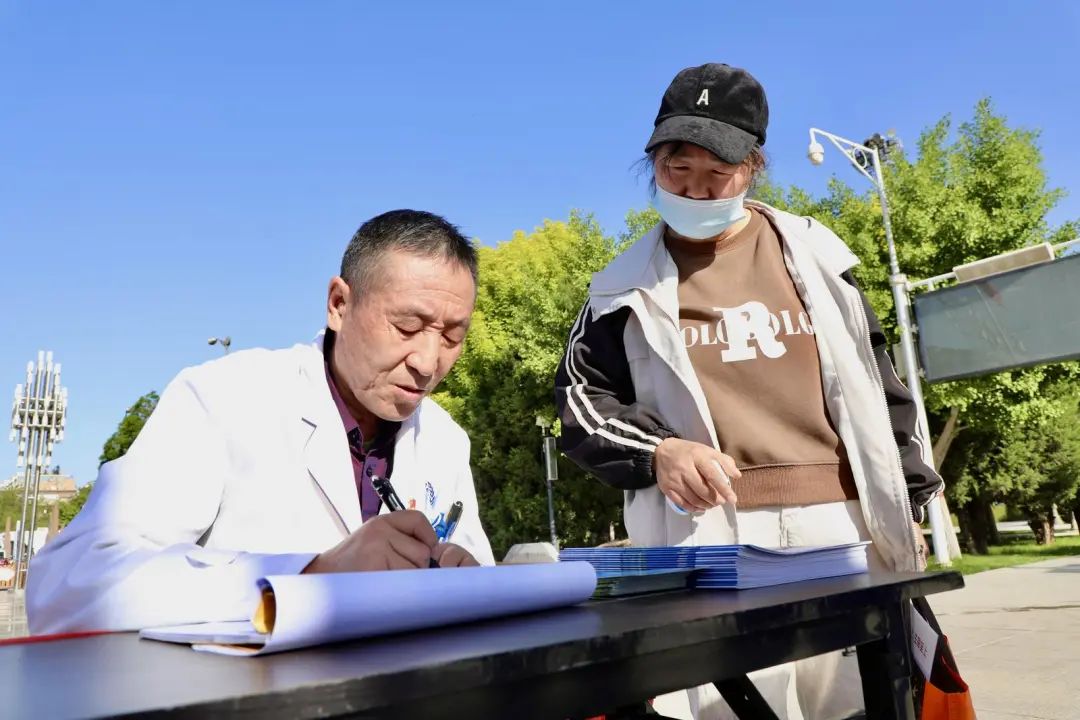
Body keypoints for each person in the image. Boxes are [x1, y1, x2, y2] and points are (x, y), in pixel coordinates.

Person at [555, 63, 942, 720]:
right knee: (732, 710)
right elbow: (581, 404)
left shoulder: (819, 257)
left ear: (754, 166)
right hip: (711, 545)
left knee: (864, 706)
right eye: (678, 169)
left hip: (843, 531)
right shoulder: (618, 288)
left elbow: (881, 389)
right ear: (653, 162)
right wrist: (659, 452)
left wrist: (912, 501)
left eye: (718, 171)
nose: (696, 190)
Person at [28, 209, 495, 635]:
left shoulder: (445, 441)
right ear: (338, 304)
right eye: (407, 327)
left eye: (452, 337)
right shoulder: (224, 397)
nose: (428, 362)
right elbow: (69, 587)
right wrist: (315, 577)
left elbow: (479, 581)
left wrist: (471, 586)